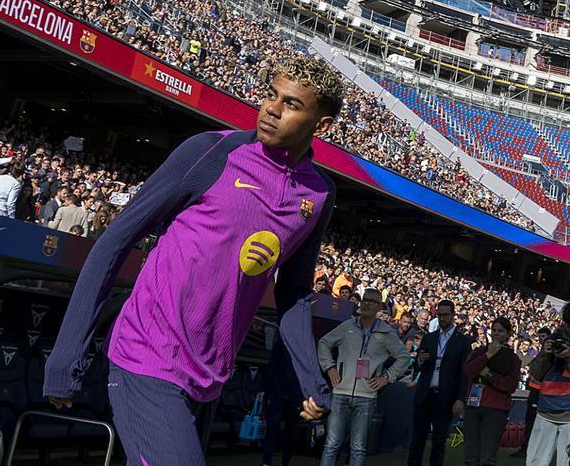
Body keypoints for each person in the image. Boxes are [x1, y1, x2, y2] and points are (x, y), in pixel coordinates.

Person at [43, 57, 344, 465]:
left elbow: (293, 293)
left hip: (209, 376)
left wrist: (311, 378)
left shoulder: (319, 194)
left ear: (321, 126)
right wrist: (66, 355)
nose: (271, 109)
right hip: (147, 355)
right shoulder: (212, 152)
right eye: (271, 95)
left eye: (291, 104)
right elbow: (114, 242)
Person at [315, 288, 410, 466]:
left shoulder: (386, 332)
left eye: (371, 301)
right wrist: (330, 367)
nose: (366, 303)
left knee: (358, 448)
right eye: (365, 299)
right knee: (331, 445)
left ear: (379, 307)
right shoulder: (347, 326)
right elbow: (324, 343)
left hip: (366, 396)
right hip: (341, 392)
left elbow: (404, 357)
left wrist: (387, 377)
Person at [409, 300, 472, 466]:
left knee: (439, 441)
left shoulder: (463, 342)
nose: (442, 318)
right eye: (439, 315)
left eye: (445, 315)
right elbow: (417, 366)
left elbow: (464, 374)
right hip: (425, 394)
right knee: (417, 440)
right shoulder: (429, 337)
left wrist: (461, 399)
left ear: (453, 315)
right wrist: (420, 360)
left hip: (446, 397)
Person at [461, 317, 521, 466]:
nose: (496, 333)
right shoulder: (480, 351)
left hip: (496, 409)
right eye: (494, 330)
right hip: (473, 406)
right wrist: (488, 356)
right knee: (470, 456)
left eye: (500, 331)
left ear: (508, 334)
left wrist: (489, 374)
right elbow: (468, 370)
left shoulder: (513, 359)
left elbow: (510, 385)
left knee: (488, 457)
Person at [525, 305, 570, 466]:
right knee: (537, 461)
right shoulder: (554, 338)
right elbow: (536, 374)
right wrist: (544, 353)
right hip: (546, 410)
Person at [515, 326, 550, 458]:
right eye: (539, 337)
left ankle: (531, 449)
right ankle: (526, 448)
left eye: (544, 336)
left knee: (536, 421)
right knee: (530, 420)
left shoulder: (548, 354)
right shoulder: (539, 353)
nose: (541, 339)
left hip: (542, 391)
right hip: (534, 390)